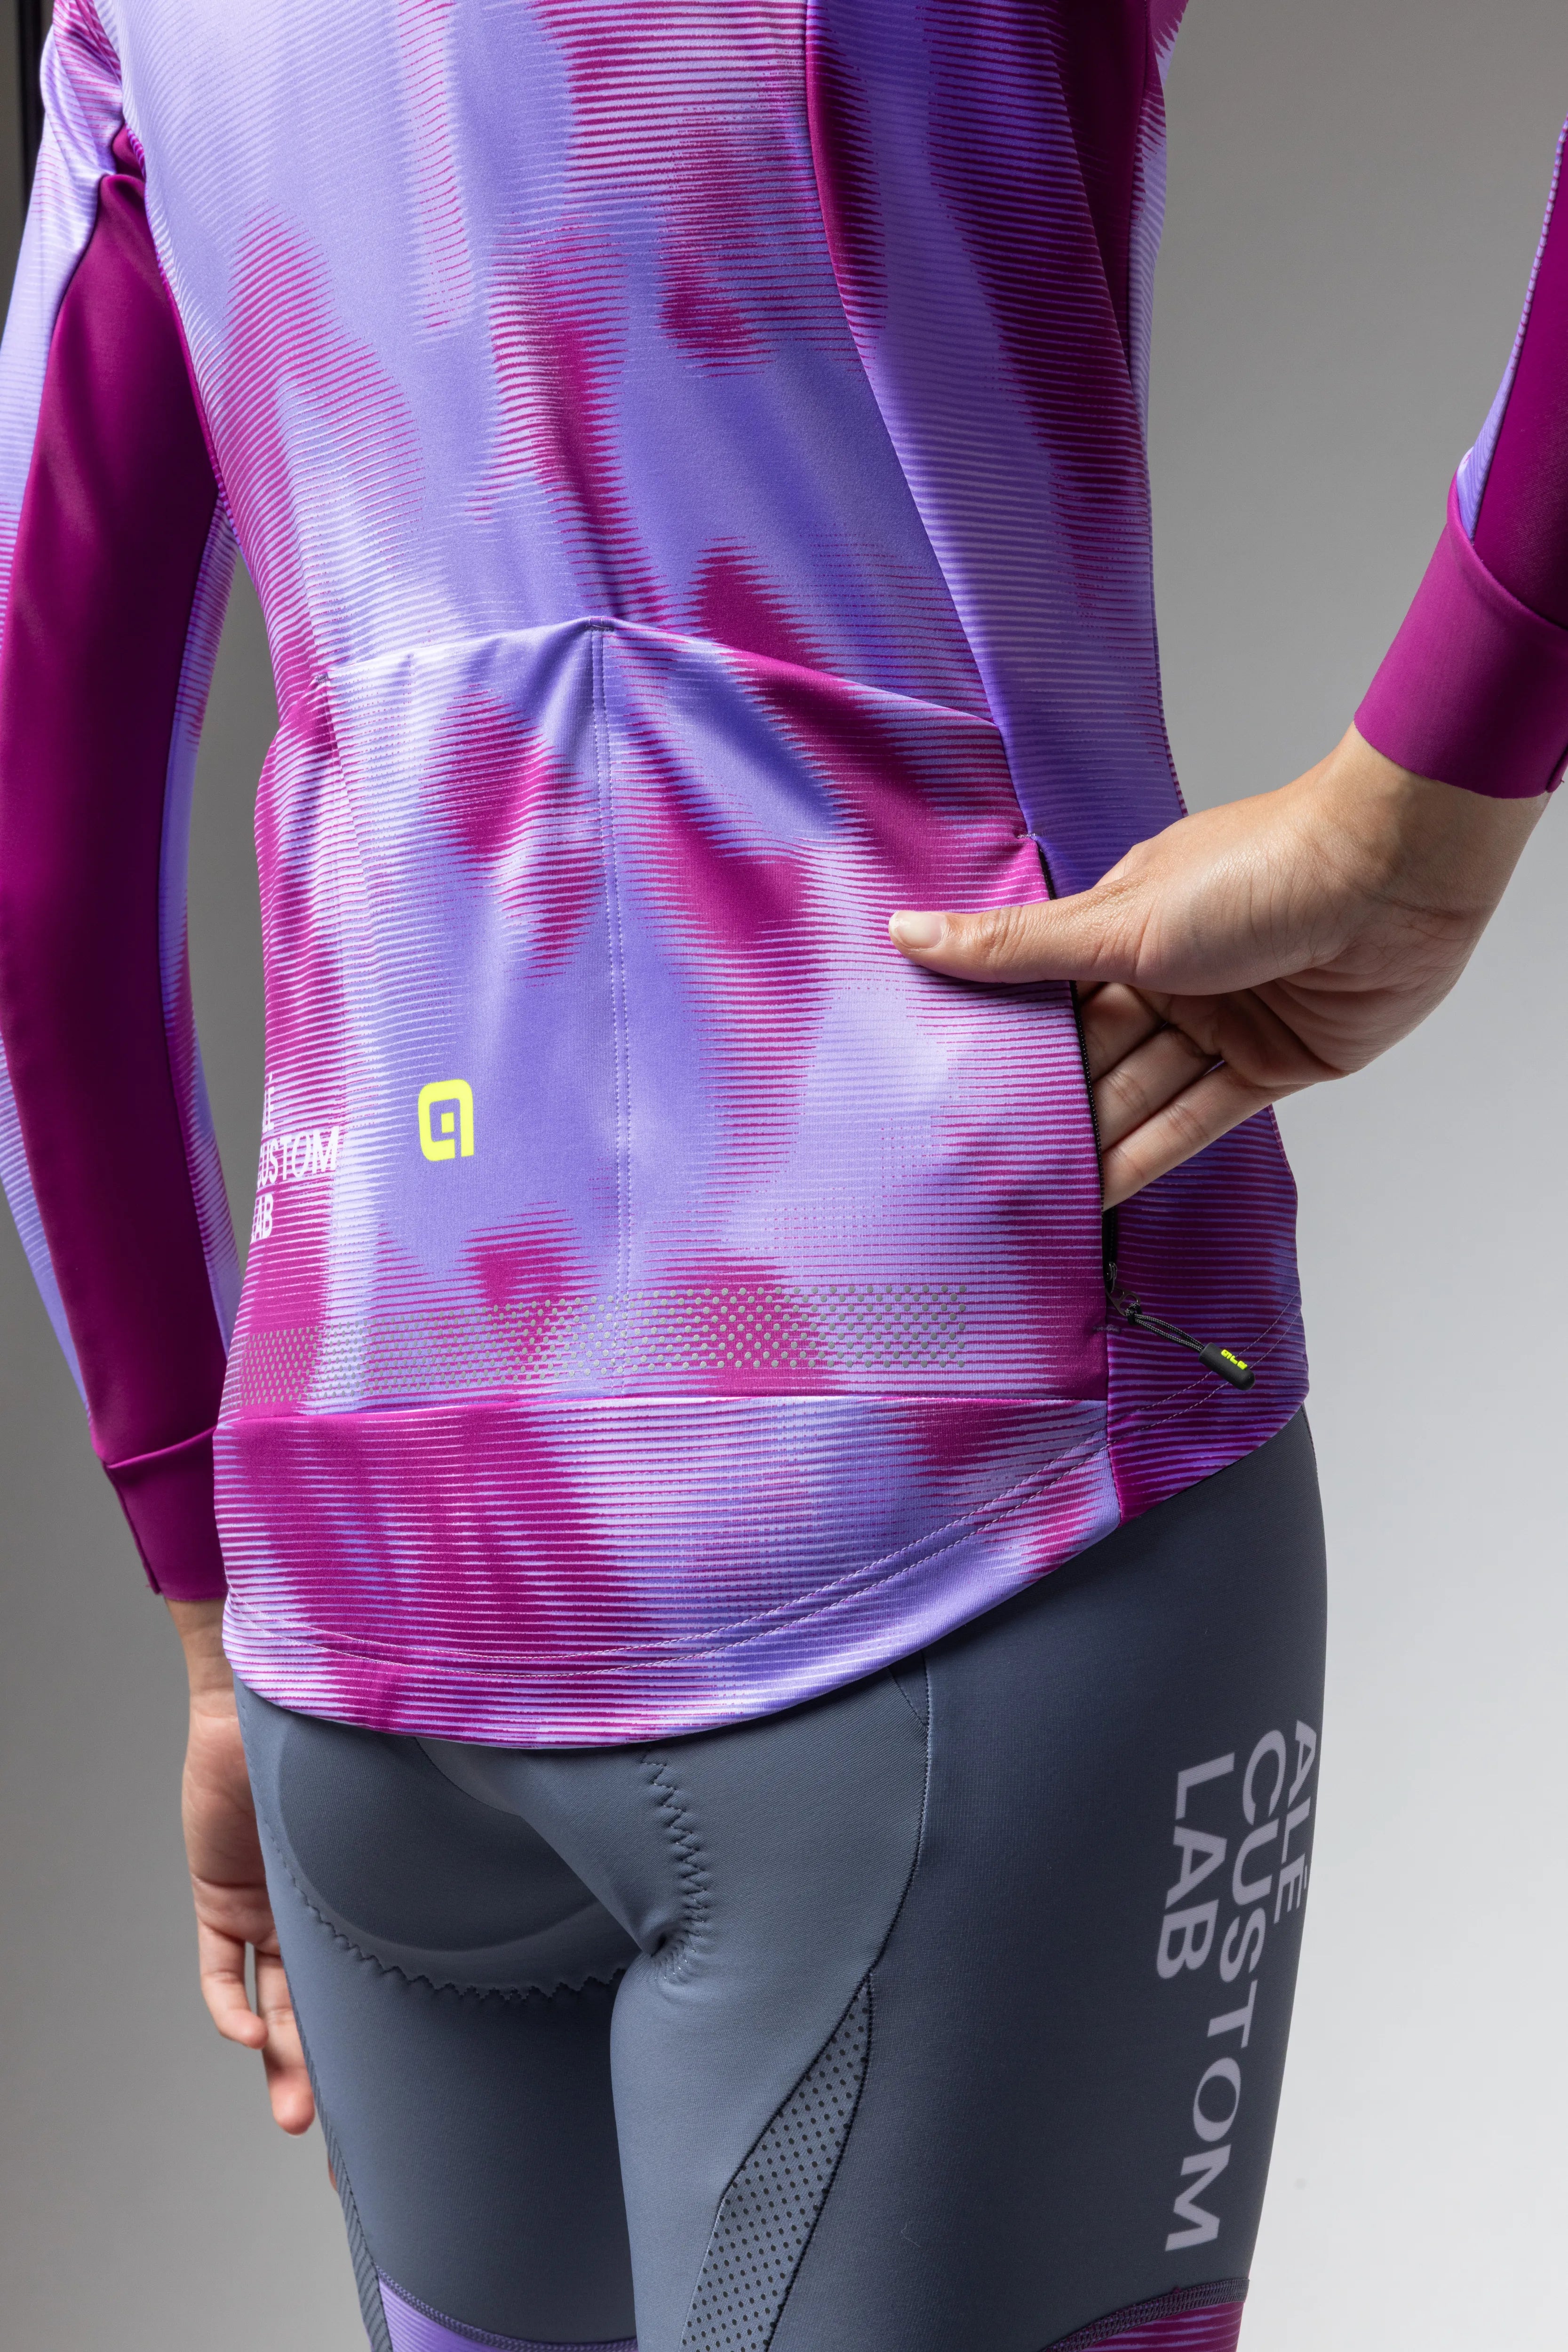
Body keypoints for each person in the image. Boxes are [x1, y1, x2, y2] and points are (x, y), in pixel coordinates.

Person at [0, 5, 1560, 2348]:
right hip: (957, 1457)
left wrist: (206, 1595)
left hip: (370, 1565)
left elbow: (33, 838)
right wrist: (1444, 763)